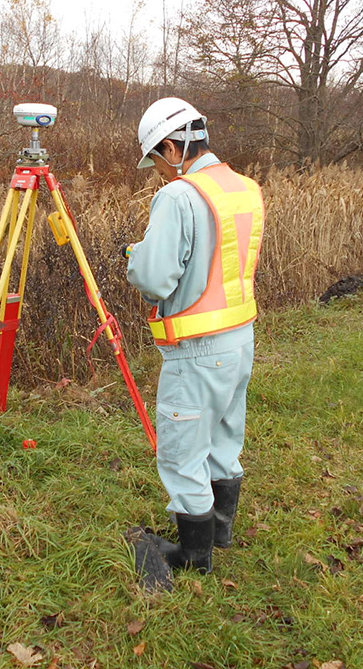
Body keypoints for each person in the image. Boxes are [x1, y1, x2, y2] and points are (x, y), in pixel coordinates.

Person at [126, 97, 265, 577]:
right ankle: (219, 532)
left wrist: (136, 255)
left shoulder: (180, 196)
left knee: (183, 451)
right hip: (240, 338)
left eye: (159, 160)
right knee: (225, 438)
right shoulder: (243, 187)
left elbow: (153, 278)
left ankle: (193, 558)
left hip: (199, 349)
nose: (161, 172)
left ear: (172, 146)